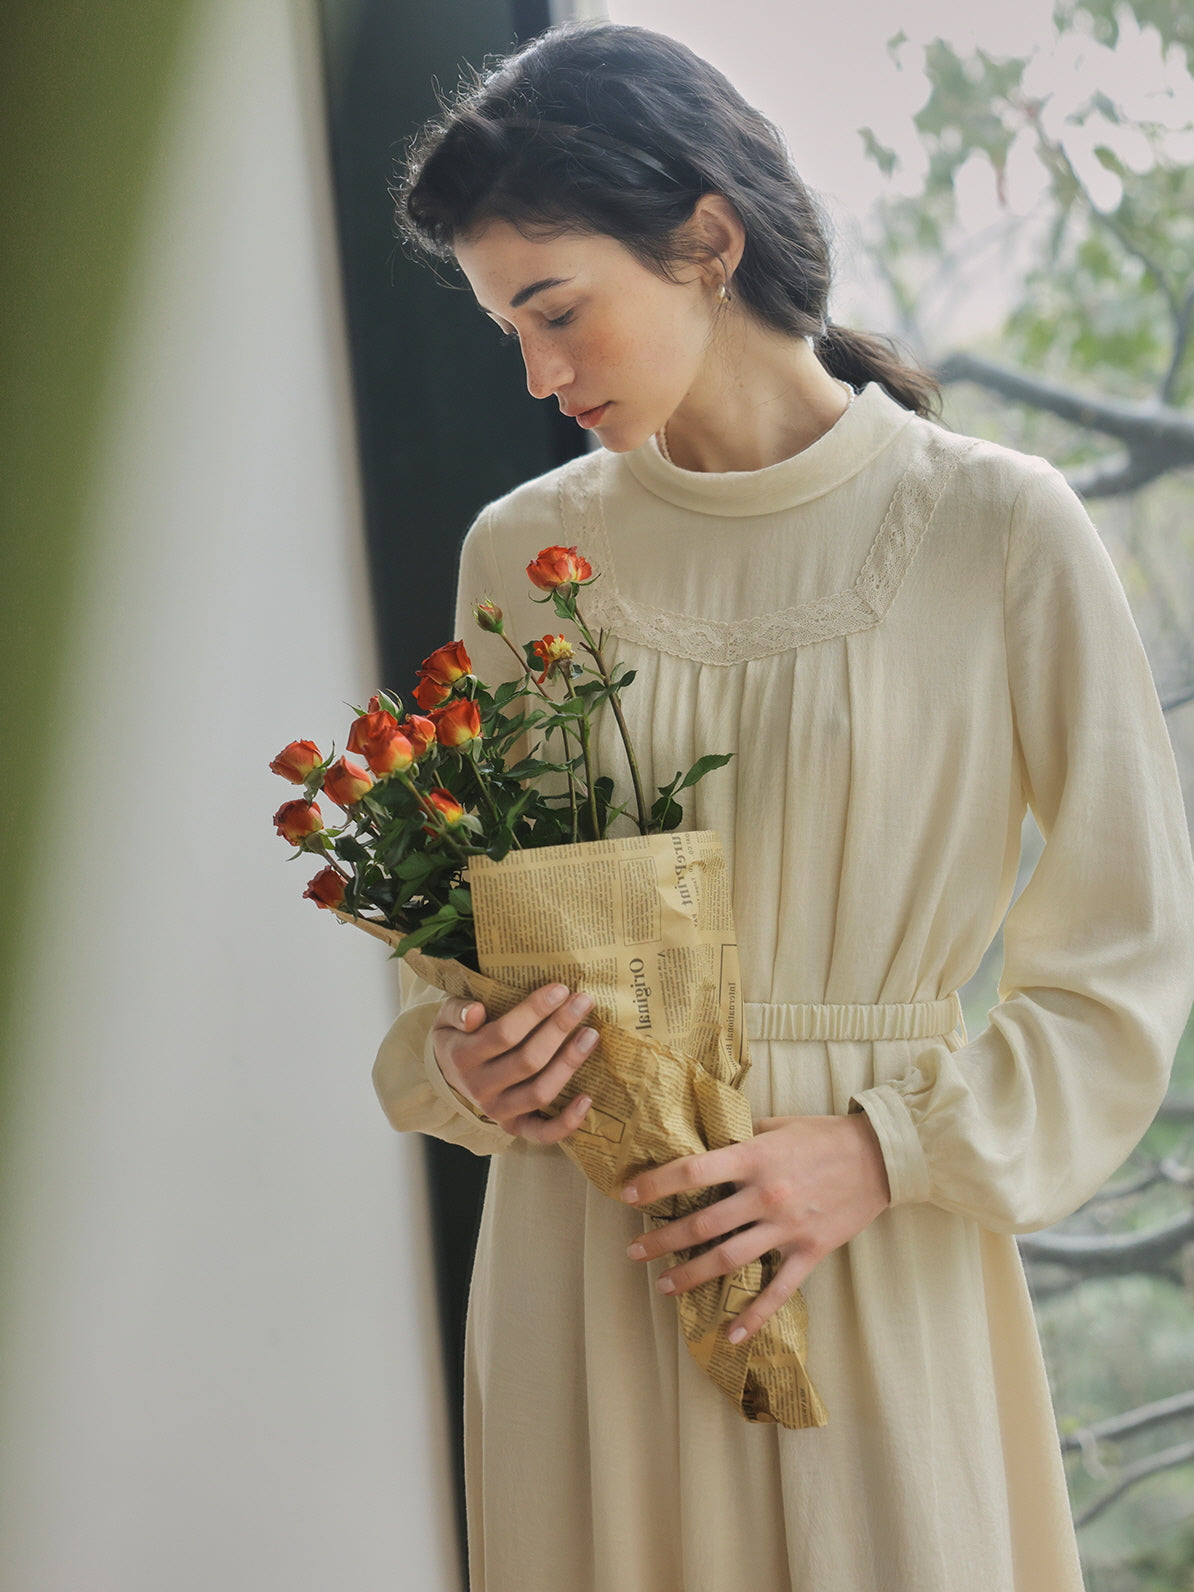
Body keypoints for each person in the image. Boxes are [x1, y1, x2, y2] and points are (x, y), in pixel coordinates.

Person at [372, 21, 1194, 1592]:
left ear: (704, 241)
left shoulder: (998, 532)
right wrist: (482, 1057)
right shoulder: (517, 554)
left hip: (875, 1246)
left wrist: (876, 1153)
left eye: (556, 311)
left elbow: (1120, 982)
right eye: (505, 334)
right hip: (586, 1264)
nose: (538, 376)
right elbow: (456, 961)